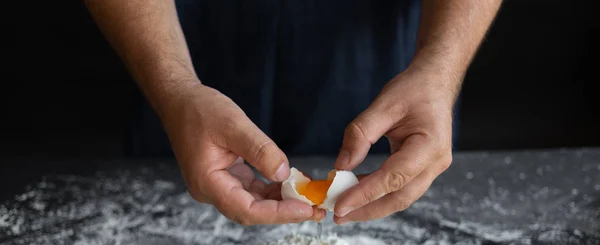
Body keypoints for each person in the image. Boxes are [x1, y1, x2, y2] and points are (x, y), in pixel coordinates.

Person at [85, 0, 502, 226]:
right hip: (181, 34)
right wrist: (174, 88)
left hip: (374, 45)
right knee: (169, 201)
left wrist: (439, 68)